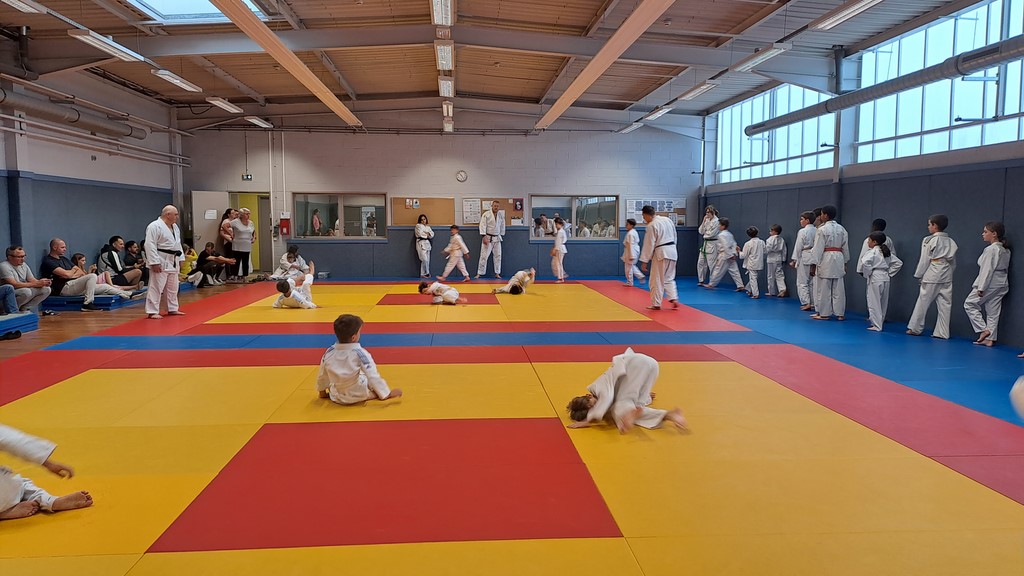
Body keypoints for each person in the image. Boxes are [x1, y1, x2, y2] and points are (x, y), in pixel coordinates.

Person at [565, 348, 687, 434]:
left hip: (637, 364)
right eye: (593, 408)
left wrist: (588, 421)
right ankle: (668, 415)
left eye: (593, 403)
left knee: (621, 405)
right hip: (652, 366)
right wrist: (647, 398)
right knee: (636, 406)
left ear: (589, 395)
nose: (597, 406)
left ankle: (627, 418)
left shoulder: (597, 387)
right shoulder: (607, 400)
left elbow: (607, 398)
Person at [0, 423, 92, 521]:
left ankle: (4, 511)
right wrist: (48, 463)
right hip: (7, 492)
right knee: (21, 485)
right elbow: (13, 440)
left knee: (13, 485)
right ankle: (49, 501)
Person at [316, 314, 402, 405]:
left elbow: (322, 374)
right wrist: (385, 394)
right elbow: (372, 375)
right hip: (356, 394)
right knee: (366, 378)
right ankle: (375, 394)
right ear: (354, 337)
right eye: (359, 332)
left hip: (336, 395)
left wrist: (322, 392)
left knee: (337, 380)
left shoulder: (329, 352)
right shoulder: (360, 353)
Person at [40, 238, 133, 311]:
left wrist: (71, 273)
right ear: (54, 247)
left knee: (105, 286)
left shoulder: (64, 259)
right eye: (62, 247)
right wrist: (71, 272)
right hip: (64, 288)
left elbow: (79, 271)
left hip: (74, 285)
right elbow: (66, 275)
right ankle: (87, 303)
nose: (65, 249)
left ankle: (129, 295)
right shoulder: (48, 261)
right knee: (92, 276)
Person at [907, 214, 958, 339]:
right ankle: (942, 332)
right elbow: (953, 262)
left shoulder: (929, 240)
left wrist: (920, 274)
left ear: (935, 226)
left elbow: (924, 260)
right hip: (946, 273)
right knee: (945, 304)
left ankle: (915, 328)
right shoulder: (951, 241)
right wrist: (950, 272)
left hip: (933, 273)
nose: (928, 227)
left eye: (929, 224)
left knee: (923, 301)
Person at [964, 221, 1010, 347]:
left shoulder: (991, 249)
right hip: (1002, 282)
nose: (983, 234)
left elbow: (987, 269)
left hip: (991, 282)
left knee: (969, 304)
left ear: (994, 234)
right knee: (993, 311)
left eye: (985, 232)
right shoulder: (1005, 250)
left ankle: (984, 330)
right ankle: (990, 339)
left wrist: (981, 287)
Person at [144, 205, 186, 320]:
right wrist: (154, 262)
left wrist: (181, 258)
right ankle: (152, 311)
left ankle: (172, 308)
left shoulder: (175, 227)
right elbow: (149, 244)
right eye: (175, 214)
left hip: (173, 259)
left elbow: (178, 244)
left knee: (173, 286)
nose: (177, 217)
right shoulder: (154, 226)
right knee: (156, 286)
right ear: (168, 215)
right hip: (160, 259)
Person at [809, 205, 850, 321]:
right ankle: (840, 313)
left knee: (824, 287)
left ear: (826, 215)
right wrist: (845, 262)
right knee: (839, 287)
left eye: (822, 214)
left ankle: (824, 313)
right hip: (839, 257)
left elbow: (818, 248)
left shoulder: (822, 229)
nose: (821, 216)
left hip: (826, 257)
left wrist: (813, 264)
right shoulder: (842, 229)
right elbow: (845, 247)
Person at [860, 232, 902, 332]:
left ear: (874, 242)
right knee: (883, 302)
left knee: (874, 301)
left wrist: (868, 273)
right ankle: (880, 322)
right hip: (885, 277)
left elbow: (865, 262)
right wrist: (889, 272)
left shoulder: (872, 252)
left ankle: (876, 325)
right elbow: (898, 263)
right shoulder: (886, 252)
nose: (868, 242)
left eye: (869, 240)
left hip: (875, 276)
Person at [639, 205, 678, 310]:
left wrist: (644, 261)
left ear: (646, 215)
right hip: (673, 251)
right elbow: (675, 236)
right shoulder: (667, 220)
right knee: (669, 278)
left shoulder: (651, 225)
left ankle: (656, 303)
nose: (644, 219)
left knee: (656, 279)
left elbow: (649, 244)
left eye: (643, 216)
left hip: (661, 252)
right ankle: (673, 297)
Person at [0, 245, 51, 314]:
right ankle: (11, 310)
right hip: (8, 296)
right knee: (26, 292)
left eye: (24, 256)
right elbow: (14, 285)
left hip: (23, 290)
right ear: (10, 257)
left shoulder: (24, 265)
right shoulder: (4, 266)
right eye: (19, 257)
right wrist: (36, 284)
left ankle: (25, 309)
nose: (23, 259)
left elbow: (32, 280)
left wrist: (43, 283)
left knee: (46, 289)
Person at [705, 218, 744, 291]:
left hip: (724, 255)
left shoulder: (721, 235)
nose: (718, 226)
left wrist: (730, 255)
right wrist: (734, 254)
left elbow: (725, 246)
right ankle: (740, 285)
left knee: (718, 270)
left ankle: (711, 284)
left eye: (719, 225)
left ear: (723, 226)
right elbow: (734, 244)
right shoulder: (729, 234)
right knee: (734, 271)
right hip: (730, 254)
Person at [789, 211, 816, 310]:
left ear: (807, 220)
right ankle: (813, 302)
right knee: (812, 282)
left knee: (802, 281)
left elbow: (798, 246)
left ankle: (806, 303)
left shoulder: (803, 231)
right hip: (815, 256)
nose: (800, 221)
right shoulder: (817, 230)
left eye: (802, 219)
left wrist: (794, 260)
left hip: (804, 255)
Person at [477, 201, 505, 279]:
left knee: (498, 256)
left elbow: (502, 225)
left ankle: (497, 273)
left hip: (497, 238)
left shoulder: (500, 215)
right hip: (488, 237)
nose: (496, 207)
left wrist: (502, 233)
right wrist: (483, 236)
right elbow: (482, 225)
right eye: (495, 206)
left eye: (497, 206)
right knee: (484, 256)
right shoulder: (486, 214)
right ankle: (480, 273)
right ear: (492, 206)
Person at [696, 205, 720, 286]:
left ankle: (712, 282)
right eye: (706, 212)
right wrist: (703, 221)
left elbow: (712, 234)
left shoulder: (717, 221)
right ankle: (701, 280)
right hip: (705, 244)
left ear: (713, 213)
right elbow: (700, 231)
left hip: (712, 244)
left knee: (712, 265)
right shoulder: (706, 220)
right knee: (700, 263)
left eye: (708, 212)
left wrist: (705, 234)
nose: (707, 214)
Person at [739, 226, 765, 298]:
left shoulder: (748, 243)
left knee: (753, 279)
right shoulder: (762, 242)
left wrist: (739, 251)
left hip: (752, 263)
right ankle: (749, 289)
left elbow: (743, 255)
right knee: (754, 278)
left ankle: (755, 294)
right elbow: (765, 251)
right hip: (760, 263)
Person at [230, 208, 256, 281]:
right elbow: (224, 226)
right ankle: (235, 275)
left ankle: (245, 276)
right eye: (246, 214)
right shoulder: (235, 222)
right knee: (237, 261)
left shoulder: (250, 222)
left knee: (245, 261)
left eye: (249, 214)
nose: (248, 215)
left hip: (247, 244)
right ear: (241, 215)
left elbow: (253, 231)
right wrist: (231, 234)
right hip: (237, 244)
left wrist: (254, 238)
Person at [621, 218, 646, 287]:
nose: (626, 225)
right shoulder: (634, 232)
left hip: (631, 251)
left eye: (627, 224)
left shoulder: (630, 234)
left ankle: (630, 281)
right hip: (634, 250)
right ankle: (640, 276)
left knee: (628, 267)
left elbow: (630, 244)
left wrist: (631, 255)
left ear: (631, 225)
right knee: (631, 266)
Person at [765, 224, 787, 297]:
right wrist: (783, 259)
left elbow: (768, 249)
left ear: (775, 231)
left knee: (770, 276)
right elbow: (784, 250)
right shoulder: (781, 239)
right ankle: (782, 289)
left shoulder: (770, 239)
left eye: (771, 230)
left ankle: (771, 291)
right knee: (779, 274)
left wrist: (764, 252)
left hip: (771, 259)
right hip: (779, 258)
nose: (770, 232)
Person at [414, 214, 434, 278]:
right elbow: (420, 234)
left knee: (427, 260)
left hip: (427, 243)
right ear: (420, 221)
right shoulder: (418, 226)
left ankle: (423, 274)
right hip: (420, 243)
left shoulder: (428, 227)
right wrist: (427, 234)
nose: (423, 221)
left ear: (426, 220)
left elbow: (432, 234)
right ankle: (427, 273)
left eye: (424, 219)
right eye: (421, 220)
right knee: (424, 259)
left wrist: (427, 234)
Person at [551, 216, 568, 282]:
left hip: (559, 249)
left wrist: (554, 250)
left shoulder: (560, 232)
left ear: (560, 224)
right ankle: (561, 276)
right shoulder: (562, 231)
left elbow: (558, 242)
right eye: (555, 224)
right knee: (557, 263)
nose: (556, 226)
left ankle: (560, 278)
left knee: (558, 263)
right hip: (561, 248)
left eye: (557, 224)